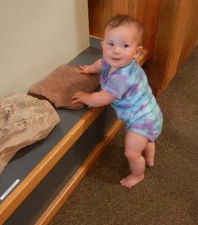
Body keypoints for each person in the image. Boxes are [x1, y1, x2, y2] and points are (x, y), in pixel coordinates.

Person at [72, 15, 163, 188]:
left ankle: (138, 175)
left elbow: (102, 98)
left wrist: (85, 97)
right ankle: (150, 158)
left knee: (131, 152)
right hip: (150, 112)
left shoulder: (121, 77)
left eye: (125, 46)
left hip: (142, 121)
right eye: (111, 44)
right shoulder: (111, 61)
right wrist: (90, 69)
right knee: (147, 140)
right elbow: (100, 63)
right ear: (103, 45)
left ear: (137, 52)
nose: (115, 50)